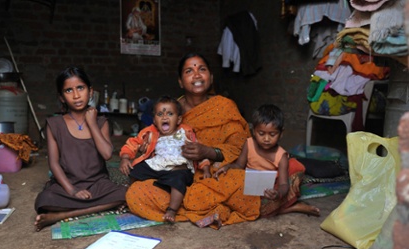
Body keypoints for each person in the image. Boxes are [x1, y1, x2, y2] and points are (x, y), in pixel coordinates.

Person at [125, 52, 319, 228]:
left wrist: (208, 152)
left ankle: (207, 207)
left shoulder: (224, 106)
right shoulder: (169, 110)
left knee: (242, 180)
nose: (197, 75)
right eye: (189, 71)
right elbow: (149, 139)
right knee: (136, 194)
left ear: (211, 77)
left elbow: (239, 146)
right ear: (180, 81)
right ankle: (247, 208)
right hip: (174, 176)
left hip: (214, 174)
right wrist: (142, 151)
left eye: (202, 69)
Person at [34, 66, 127, 231]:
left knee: (127, 194)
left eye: (80, 88)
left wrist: (91, 123)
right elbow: (54, 164)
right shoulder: (55, 124)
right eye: (69, 90)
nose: (76, 95)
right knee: (44, 200)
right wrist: (72, 190)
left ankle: (60, 215)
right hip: (68, 184)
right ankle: (99, 207)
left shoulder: (101, 122)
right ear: (62, 97)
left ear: (90, 92)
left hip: (98, 184)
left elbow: (107, 154)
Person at [214, 104, 320, 217]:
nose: (266, 139)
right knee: (226, 188)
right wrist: (227, 167)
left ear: (281, 134)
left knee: (294, 167)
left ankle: (291, 207)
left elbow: (284, 184)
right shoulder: (249, 144)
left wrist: (278, 194)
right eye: (261, 133)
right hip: (249, 187)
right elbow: (239, 165)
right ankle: (290, 208)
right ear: (254, 131)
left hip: (269, 191)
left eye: (272, 134)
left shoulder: (281, 155)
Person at [119, 95, 211, 222]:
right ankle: (129, 193)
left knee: (178, 182)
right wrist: (125, 158)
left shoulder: (185, 133)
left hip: (178, 169)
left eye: (170, 113)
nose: (165, 117)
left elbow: (199, 151)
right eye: (160, 114)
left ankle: (172, 210)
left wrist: (205, 168)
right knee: (135, 169)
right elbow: (133, 143)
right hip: (158, 165)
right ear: (155, 120)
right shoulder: (150, 132)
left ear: (178, 119)